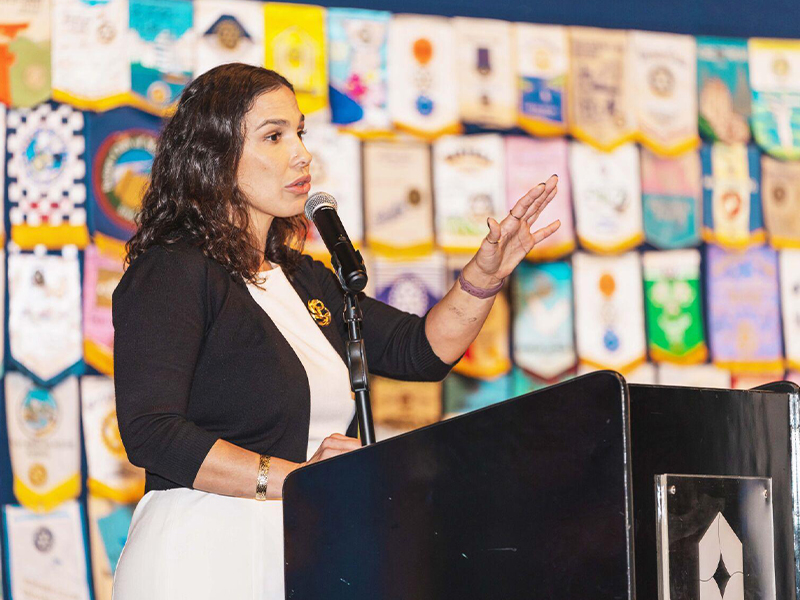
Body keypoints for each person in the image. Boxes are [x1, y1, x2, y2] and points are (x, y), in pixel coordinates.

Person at [110, 63, 560, 600]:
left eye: (299, 132)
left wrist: (483, 279)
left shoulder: (304, 278)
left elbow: (421, 352)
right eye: (274, 136)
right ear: (213, 157)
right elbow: (152, 432)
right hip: (200, 556)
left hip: (295, 550)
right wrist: (298, 480)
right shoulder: (173, 270)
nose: (301, 153)